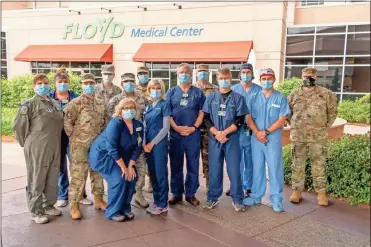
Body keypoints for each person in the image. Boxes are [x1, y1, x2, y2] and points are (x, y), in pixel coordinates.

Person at [14, 73, 64, 224]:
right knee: (37, 177)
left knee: (52, 176)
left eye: (45, 83)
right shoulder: (29, 105)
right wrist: (29, 144)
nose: (43, 86)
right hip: (37, 146)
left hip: (54, 145)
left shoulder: (53, 103)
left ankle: (48, 205)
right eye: (39, 83)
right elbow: (19, 128)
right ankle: (36, 211)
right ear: (33, 86)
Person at [288, 67, 338, 206]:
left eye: (311, 77)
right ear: (301, 77)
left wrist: (322, 126)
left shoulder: (326, 94)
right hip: (299, 136)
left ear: (316, 78)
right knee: (297, 164)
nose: (308, 79)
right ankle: (297, 191)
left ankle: (321, 193)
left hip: (318, 136)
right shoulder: (294, 94)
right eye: (305, 76)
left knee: (319, 164)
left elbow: (332, 112)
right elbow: (288, 113)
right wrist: (295, 126)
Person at [243, 68, 291, 212]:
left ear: (274, 80)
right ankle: (256, 195)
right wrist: (257, 132)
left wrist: (266, 132)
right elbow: (248, 117)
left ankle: (276, 199)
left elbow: (282, 120)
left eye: (269, 78)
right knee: (257, 167)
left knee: (274, 168)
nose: (266, 81)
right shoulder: (253, 97)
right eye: (264, 79)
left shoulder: (280, 97)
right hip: (256, 138)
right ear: (260, 80)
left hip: (273, 138)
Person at [88, 98, 143, 222]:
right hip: (104, 156)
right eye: (126, 108)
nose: (129, 110)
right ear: (120, 110)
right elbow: (111, 148)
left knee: (132, 177)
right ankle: (112, 211)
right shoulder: (116, 123)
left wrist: (130, 166)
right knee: (119, 179)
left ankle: (125, 208)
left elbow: (138, 147)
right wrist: (124, 168)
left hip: (123, 157)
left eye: (132, 108)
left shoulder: (138, 125)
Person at [202, 68, 247, 212]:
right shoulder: (210, 97)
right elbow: (206, 118)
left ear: (231, 78)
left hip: (231, 138)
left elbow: (240, 119)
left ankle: (237, 198)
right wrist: (217, 133)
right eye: (222, 78)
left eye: (227, 77)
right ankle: (212, 197)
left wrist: (225, 132)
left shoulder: (238, 98)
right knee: (214, 168)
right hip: (215, 138)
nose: (224, 80)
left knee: (234, 169)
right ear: (217, 79)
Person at [64, 73, 107, 220]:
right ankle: (74, 206)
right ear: (81, 85)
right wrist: (76, 138)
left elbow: (104, 122)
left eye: (91, 83)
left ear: (95, 84)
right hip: (80, 146)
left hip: (97, 145)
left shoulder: (100, 102)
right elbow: (67, 124)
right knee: (78, 176)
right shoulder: (75, 103)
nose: (88, 86)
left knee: (97, 173)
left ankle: (99, 199)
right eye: (85, 83)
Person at [49, 66, 92, 208]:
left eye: (65, 81)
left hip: (75, 137)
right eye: (60, 81)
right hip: (56, 138)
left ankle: (81, 195)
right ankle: (63, 195)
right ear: (55, 83)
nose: (62, 84)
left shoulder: (76, 98)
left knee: (78, 166)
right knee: (61, 167)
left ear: (69, 83)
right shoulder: (48, 98)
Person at [107, 73, 149, 208]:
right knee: (120, 173)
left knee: (141, 168)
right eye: (126, 81)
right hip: (120, 143)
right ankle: (119, 198)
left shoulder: (142, 99)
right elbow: (109, 120)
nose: (129, 84)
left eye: (131, 81)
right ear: (121, 84)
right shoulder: (115, 100)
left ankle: (138, 193)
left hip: (137, 139)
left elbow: (146, 118)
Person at [165, 63, 205, 206]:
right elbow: (167, 113)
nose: (184, 74)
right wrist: (176, 127)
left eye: (187, 72)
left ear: (191, 74)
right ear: (177, 74)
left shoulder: (198, 92)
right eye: (181, 72)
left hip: (192, 135)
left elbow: (202, 112)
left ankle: (190, 194)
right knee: (176, 164)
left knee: (193, 164)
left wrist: (194, 127)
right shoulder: (171, 92)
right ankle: (176, 193)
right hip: (176, 135)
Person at [228, 63, 261, 198]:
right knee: (235, 160)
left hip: (253, 130)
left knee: (250, 160)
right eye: (243, 72)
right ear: (239, 74)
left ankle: (248, 187)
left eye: (248, 72)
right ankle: (236, 186)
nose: (246, 74)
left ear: (252, 74)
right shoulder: (233, 89)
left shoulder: (259, 90)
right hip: (236, 130)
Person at [143, 79, 171, 215]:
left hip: (159, 144)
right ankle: (156, 200)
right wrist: (144, 144)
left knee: (160, 173)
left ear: (162, 89)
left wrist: (152, 143)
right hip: (148, 146)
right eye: (152, 87)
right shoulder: (148, 106)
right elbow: (145, 126)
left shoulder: (164, 105)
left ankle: (162, 203)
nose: (155, 90)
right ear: (148, 89)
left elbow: (165, 128)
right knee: (153, 174)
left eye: (157, 88)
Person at [193, 64, 218, 190]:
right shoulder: (191, 89)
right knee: (192, 158)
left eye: (204, 71)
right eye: (200, 71)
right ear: (196, 73)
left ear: (208, 73)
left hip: (208, 129)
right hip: (193, 129)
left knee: (208, 158)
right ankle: (193, 185)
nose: (202, 73)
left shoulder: (215, 89)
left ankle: (209, 184)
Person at [135, 65, 153, 194]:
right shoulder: (133, 90)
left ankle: (151, 183)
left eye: (145, 73)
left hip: (151, 128)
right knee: (137, 157)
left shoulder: (153, 88)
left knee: (150, 156)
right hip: (136, 128)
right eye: (140, 73)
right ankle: (136, 186)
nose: (143, 76)